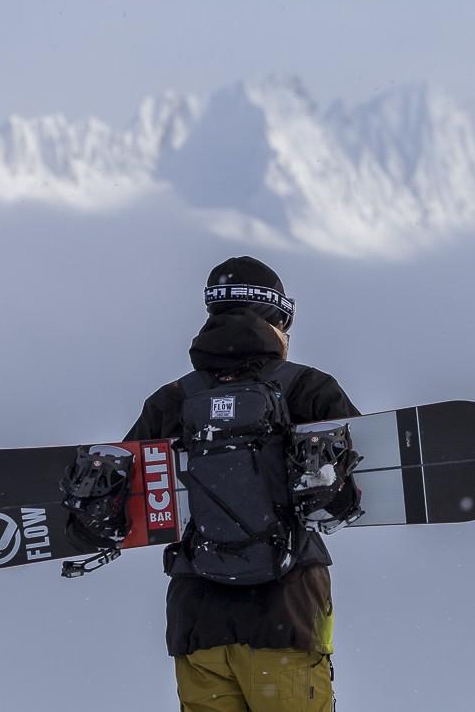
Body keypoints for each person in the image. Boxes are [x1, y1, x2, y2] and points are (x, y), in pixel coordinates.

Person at [124, 256, 359, 712]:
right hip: (286, 618)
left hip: (197, 626)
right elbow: (352, 497)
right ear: (275, 319)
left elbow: (127, 501)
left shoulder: (173, 400)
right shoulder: (308, 390)